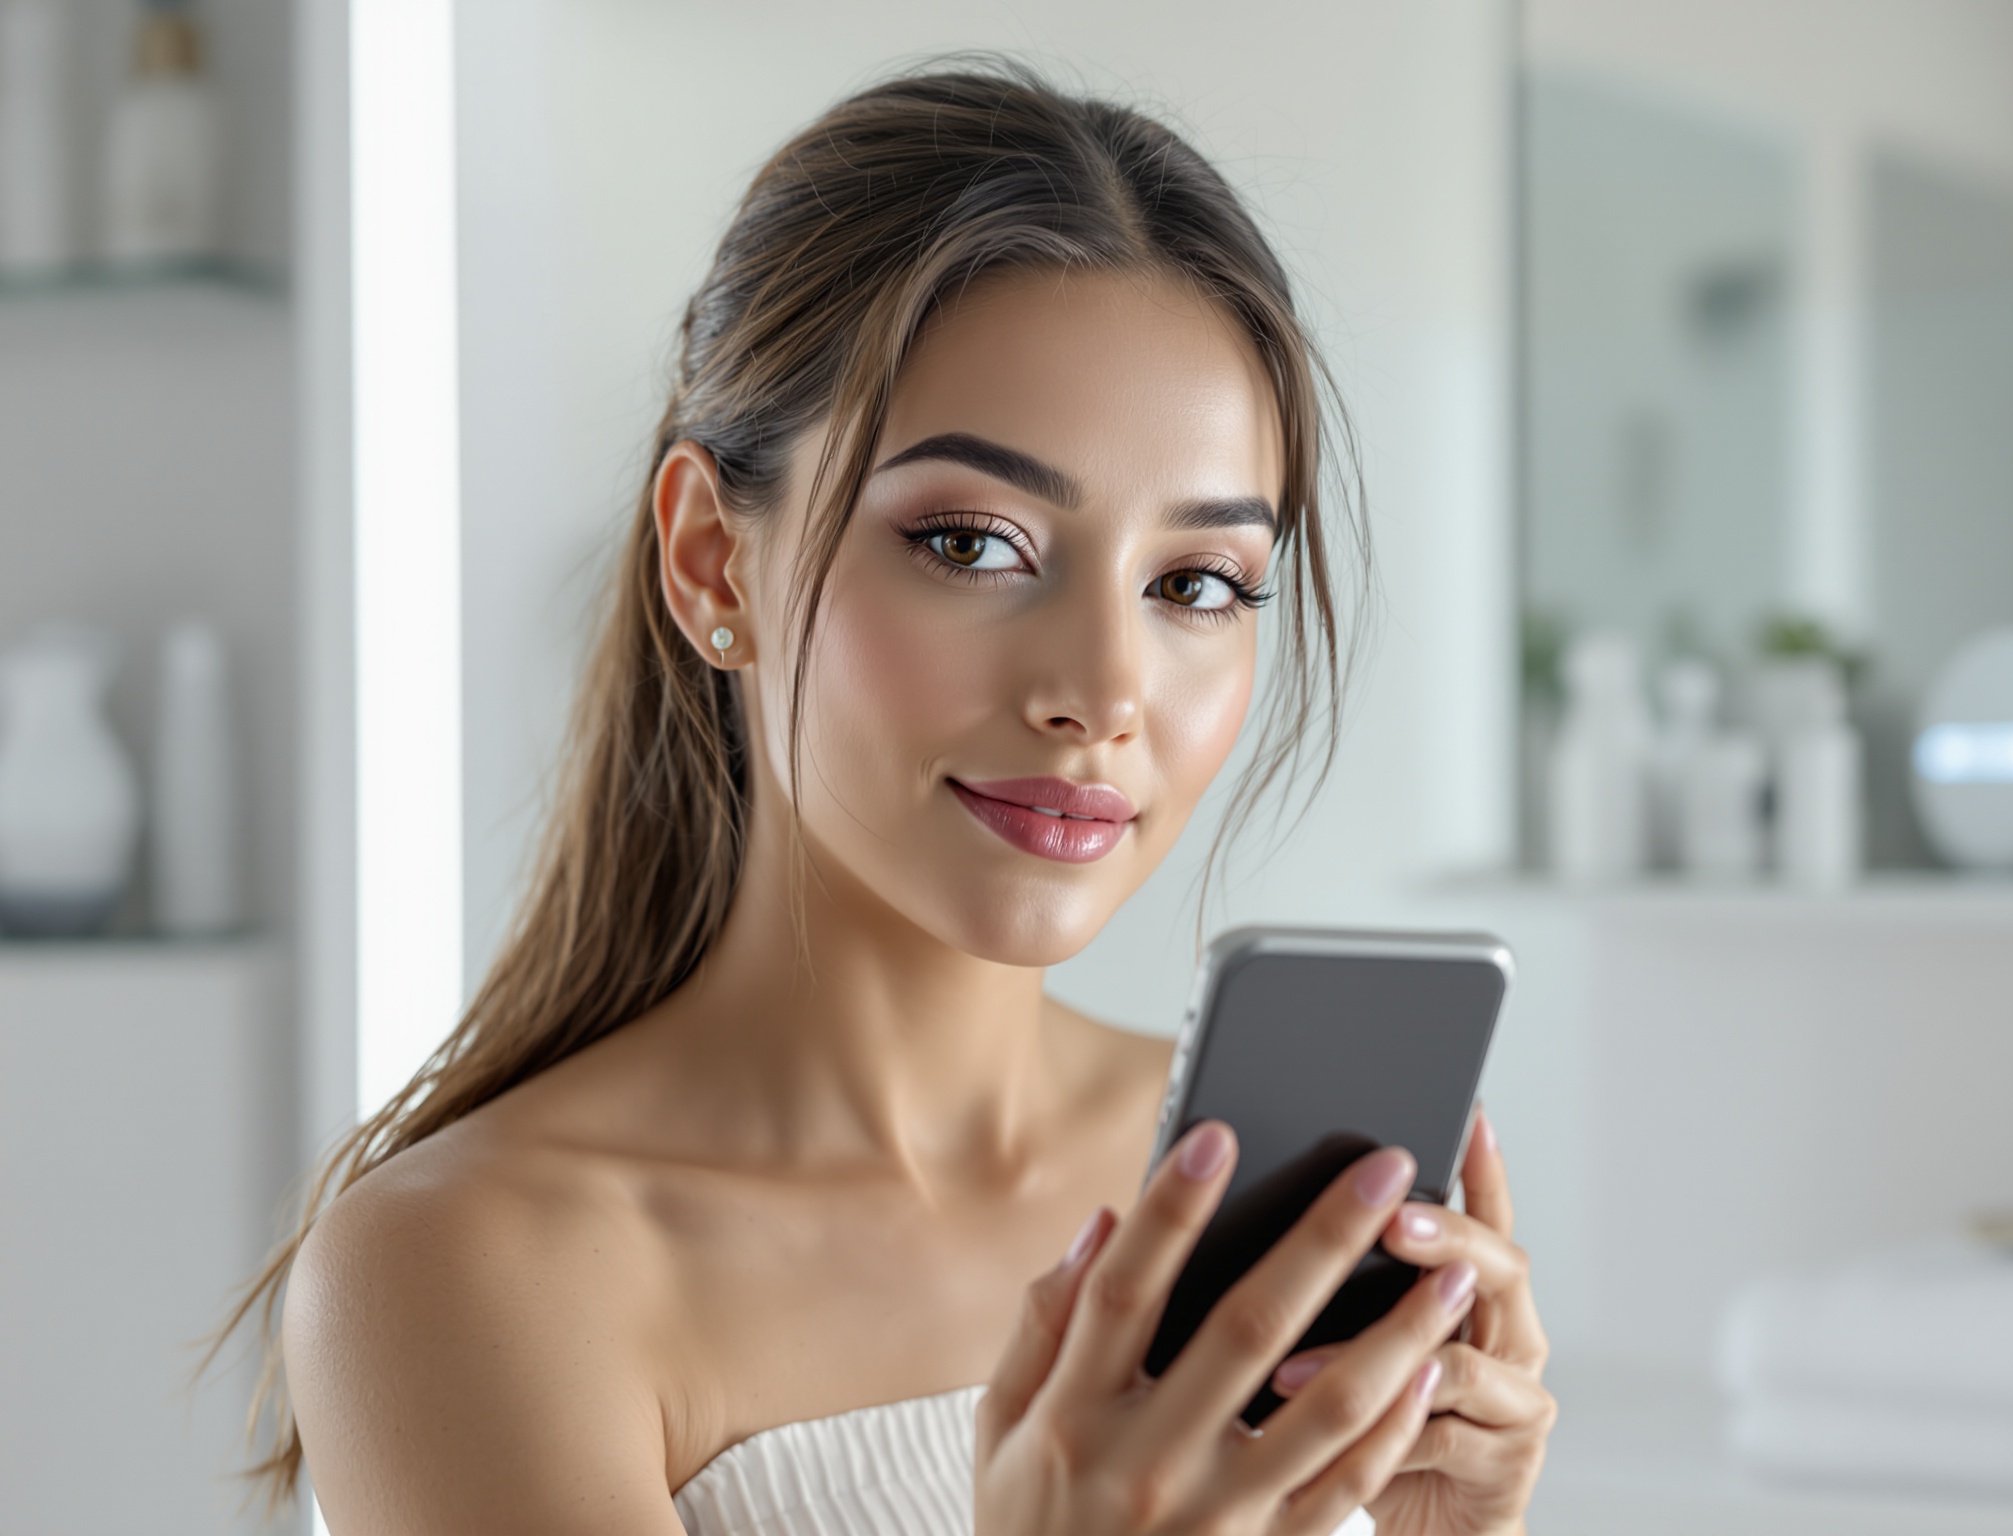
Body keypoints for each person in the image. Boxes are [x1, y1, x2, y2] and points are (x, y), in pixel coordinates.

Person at [221, 64, 1552, 1536]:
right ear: (714, 565)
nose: (1104, 689)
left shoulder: (1249, 1202)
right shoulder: (469, 1274)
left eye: (1195, 583)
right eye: (975, 545)